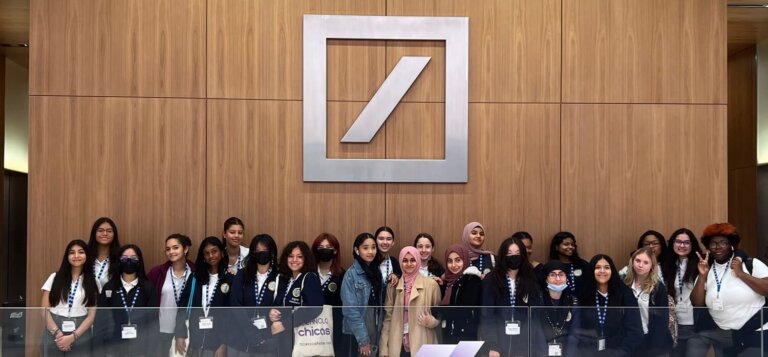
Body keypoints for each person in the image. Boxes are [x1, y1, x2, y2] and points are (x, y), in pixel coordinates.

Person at [690, 223, 768, 356]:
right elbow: (697, 303)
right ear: (708, 247)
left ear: (731, 245)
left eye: (723, 243)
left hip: (757, 331)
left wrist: (741, 274)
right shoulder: (706, 269)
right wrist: (702, 276)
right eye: (713, 243)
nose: (718, 247)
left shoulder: (750, 263)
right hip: (726, 336)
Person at [480, 236, 543, 357]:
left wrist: (525, 345)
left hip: (525, 340)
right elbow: (487, 315)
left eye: (517, 253)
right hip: (498, 338)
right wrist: (492, 345)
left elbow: (534, 314)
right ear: (503, 256)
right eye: (509, 253)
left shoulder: (531, 279)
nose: (514, 257)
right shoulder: (492, 279)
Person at [96, 244, 159, 356]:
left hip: (140, 345)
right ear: (119, 261)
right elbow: (101, 320)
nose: (129, 260)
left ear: (139, 261)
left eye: (133, 258)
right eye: (125, 258)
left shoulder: (147, 287)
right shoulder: (109, 287)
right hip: (114, 345)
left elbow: (153, 322)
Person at [379, 247, 441, 357]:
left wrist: (432, 322)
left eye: (413, 260)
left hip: (423, 341)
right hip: (398, 343)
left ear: (418, 261)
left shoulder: (431, 285)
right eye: (405, 260)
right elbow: (388, 318)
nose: (409, 264)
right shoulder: (393, 285)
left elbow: (440, 317)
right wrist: (384, 347)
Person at [575, 254, 642, 356]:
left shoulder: (625, 294)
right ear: (591, 271)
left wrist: (621, 353)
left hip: (619, 353)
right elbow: (577, 329)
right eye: (597, 267)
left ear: (612, 271)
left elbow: (635, 331)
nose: (602, 271)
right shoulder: (583, 294)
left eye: (606, 267)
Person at [41, 239, 99, 356]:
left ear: (87, 255)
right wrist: (58, 334)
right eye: (72, 252)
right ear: (67, 256)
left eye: (81, 252)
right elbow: (44, 310)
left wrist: (73, 337)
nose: (76, 256)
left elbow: (91, 315)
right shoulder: (54, 277)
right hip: (54, 329)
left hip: (80, 332)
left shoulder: (93, 281)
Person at [175, 236, 231, 357]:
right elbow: (182, 307)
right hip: (194, 341)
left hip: (217, 343)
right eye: (206, 253)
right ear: (203, 257)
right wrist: (179, 334)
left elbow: (230, 316)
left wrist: (224, 343)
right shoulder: (195, 278)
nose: (211, 256)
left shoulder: (230, 279)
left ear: (222, 253)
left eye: (214, 251)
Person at [660, 228, 710, 357]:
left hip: (697, 325)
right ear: (672, 243)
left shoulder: (702, 264)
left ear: (692, 245)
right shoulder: (664, 266)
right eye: (678, 241)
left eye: (687, 242)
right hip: (674, 325)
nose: (682, 245)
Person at [228, 234, 281, 356]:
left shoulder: (279, 276)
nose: (261, 253)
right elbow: (235, 306)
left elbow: (281, 306)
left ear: (272, 252)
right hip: (240, 340)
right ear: (252, 253)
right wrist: (251, 333)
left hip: (269, 341)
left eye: (265, 250)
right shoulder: (242, 274)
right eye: (257, 251)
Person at [270, 241, 324, 357]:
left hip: (303, 338)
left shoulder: (310, 278)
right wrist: (272, 312)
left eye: (299, 257)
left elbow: (314, 309)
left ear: (306, 259)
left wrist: (284, 324)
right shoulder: (283, 278)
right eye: (291, 256)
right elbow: (279, 304)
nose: (294, 260)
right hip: (285, 337)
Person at [147, 234, 196, 356]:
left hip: (187, 330)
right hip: (162, 330)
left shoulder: (196, 272)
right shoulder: (157, 272)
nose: (171, 252)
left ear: (185, 249)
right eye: (168, 249)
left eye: (175, 247)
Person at [623, 247, 674, 356]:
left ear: (652, 266)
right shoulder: (624, 284)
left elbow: (662, 320)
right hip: (630, 339)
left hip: (653, 340)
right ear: (632, 262)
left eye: (646, 262)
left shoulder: (658, 288)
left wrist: (654, 348)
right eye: (637, 261)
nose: (640, 265)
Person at [341, 233, 384, 357]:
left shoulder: (376, 271)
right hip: (357, 332)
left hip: (375, 326)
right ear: (357, 250)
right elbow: (350, 311)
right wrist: (363, 340)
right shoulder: (351, 274)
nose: (370, 251)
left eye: (373, 247)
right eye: (365, 248)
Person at [533, 260, 580, 357]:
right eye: (553, 275)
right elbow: (537, 334)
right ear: (546, 279)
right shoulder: (537, 301)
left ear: (566, 277)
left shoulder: (573, 302)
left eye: (561, 274)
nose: (558, 278)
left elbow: (574, 335)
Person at [437, 244, 482, 345]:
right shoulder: (449, 282)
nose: (453, 265)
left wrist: (436, 311)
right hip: (450, 334)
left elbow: (463, 310)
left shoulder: (472, 280)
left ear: (465, 260)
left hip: (465, 336)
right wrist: (441, 286)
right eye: (449, 261)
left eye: (458, 260)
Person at [312, 233, 346, 357]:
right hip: (309, 329)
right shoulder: (308, 273)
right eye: (321, 247)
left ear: (335, 251)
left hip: (333, 330)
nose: (325, 250)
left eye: (329, 247)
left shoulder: (342, 275)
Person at [549, 231, 589, 299]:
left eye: (572, 244)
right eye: (566, 244)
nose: (570, 247)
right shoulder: (551, 267)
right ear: (556, 247)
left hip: (582, 305)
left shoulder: (583, 265)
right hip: (560, 307)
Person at [87, 217, 121, 292]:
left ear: (114, 234)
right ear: (94, 233)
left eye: (109, 231)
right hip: (87, 300)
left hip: (110, 301)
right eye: (100, 230)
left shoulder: (120, 257)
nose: (105, 234)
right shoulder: (85, 255)